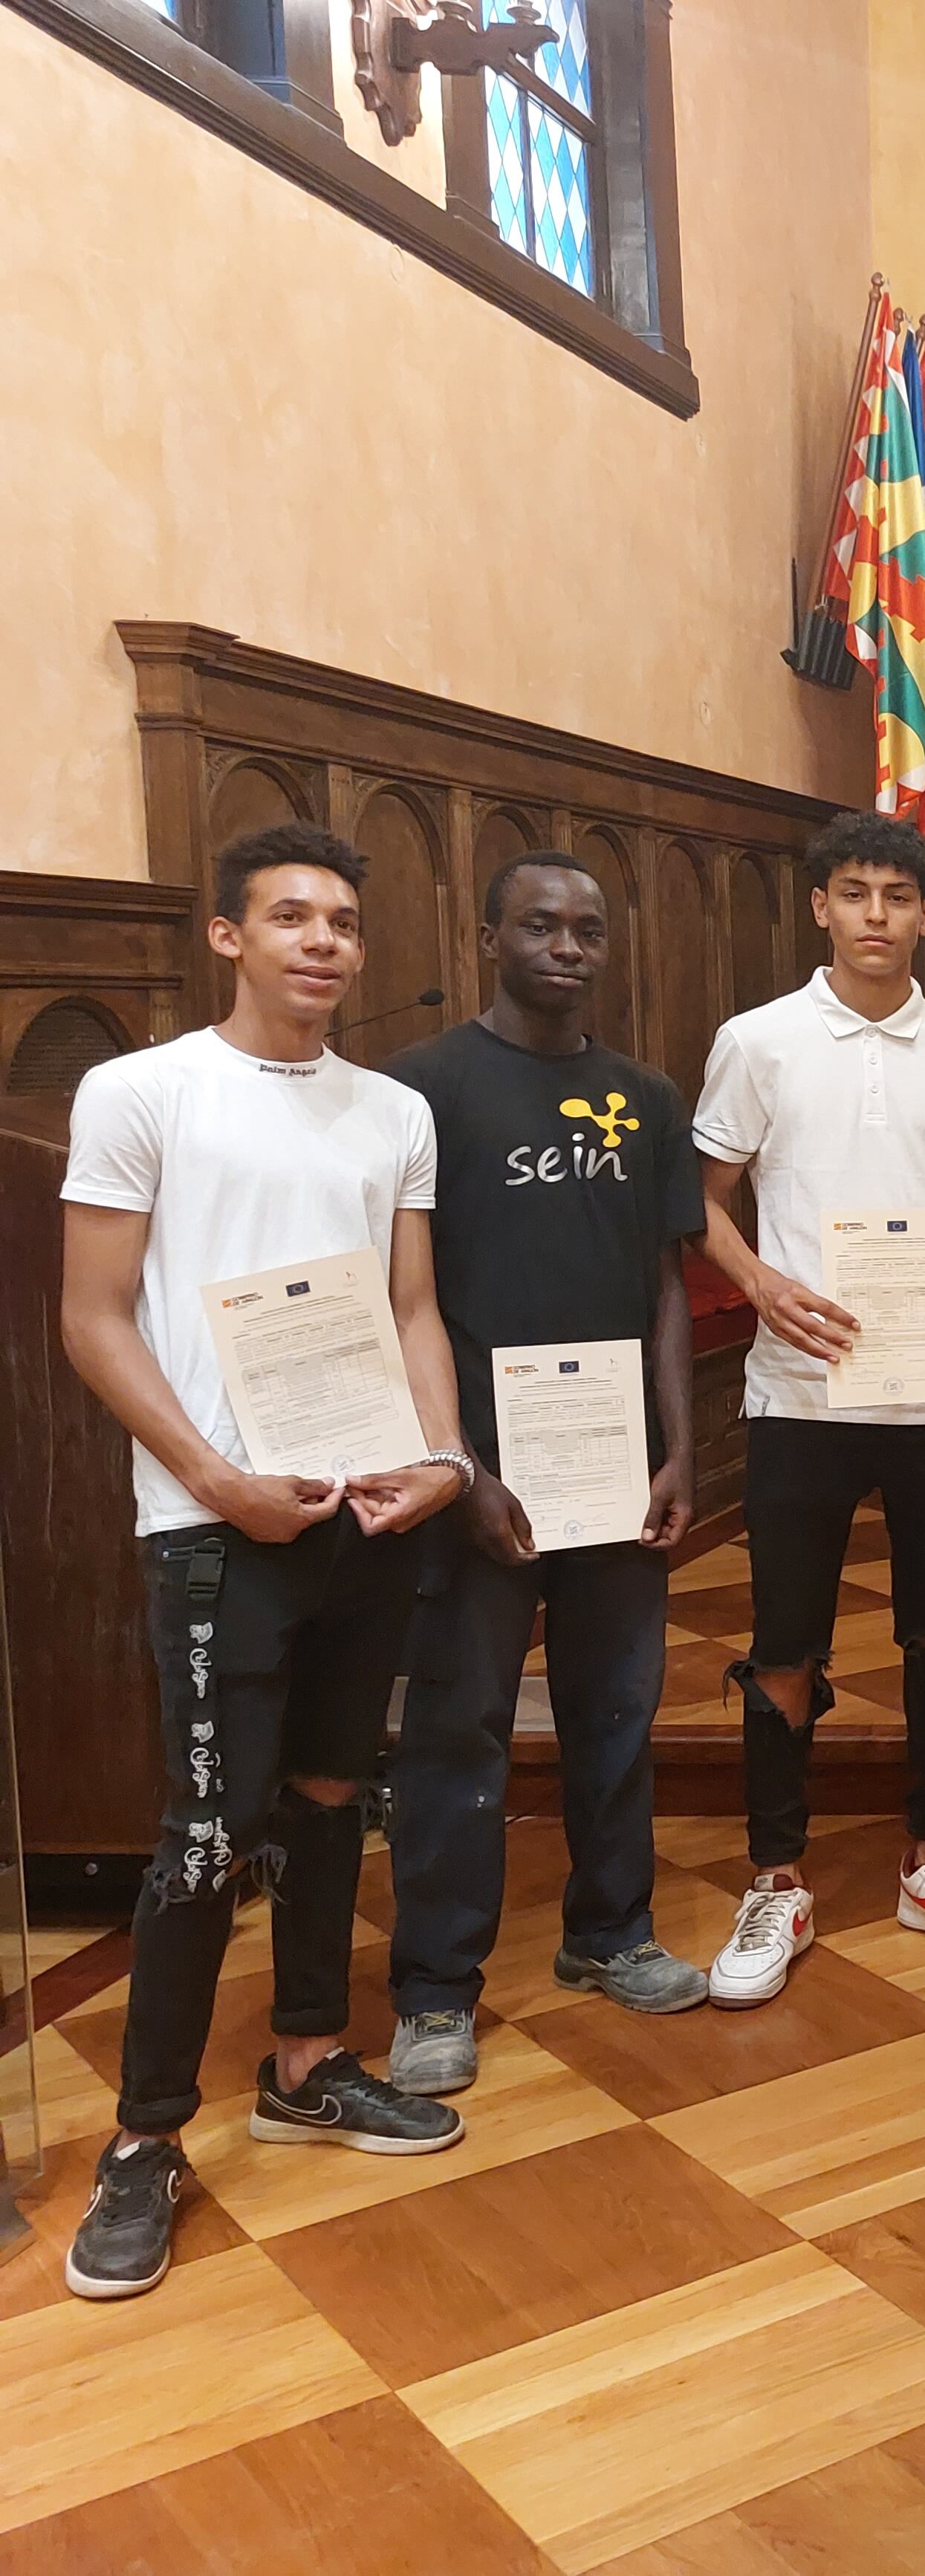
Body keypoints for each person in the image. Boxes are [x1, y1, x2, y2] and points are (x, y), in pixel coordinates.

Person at [57, 824, 473, 2300]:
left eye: (345, 923)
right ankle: (143, 2139)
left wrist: (442, 1458)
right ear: (227, 937)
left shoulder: (390, 1113)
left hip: (363, 1515)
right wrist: (220, 1479)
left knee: (325, 1796)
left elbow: (411, 1304)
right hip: (216, 1532)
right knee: (204, 1832)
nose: (323, 943)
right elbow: (94, 1318)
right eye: (291, 917)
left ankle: (308, 2059)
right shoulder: (142, 1093)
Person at [380, 853, 713, 2100]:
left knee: (615, 1711)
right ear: (486, 938)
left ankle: (609, 1929)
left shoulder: (643, 1095)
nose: (565, 946)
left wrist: (680, 1446)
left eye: (586, 929)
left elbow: (666, 1287)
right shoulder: (421, 1093)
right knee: (456, 1729)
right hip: (475, 1478)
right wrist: (454, 1463)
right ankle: (433, 1988)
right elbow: (397, 1298)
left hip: (612, 1474)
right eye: (539, 925)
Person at [692, 812, 925, 2003]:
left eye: (900, 895)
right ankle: (777, 1880)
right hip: (803, 1390)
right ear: (822, 908)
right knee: (786, 1642)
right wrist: (759, 1283)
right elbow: (707, 1197)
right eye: (856, 893)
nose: (878, 914)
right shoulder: (758, 1041)